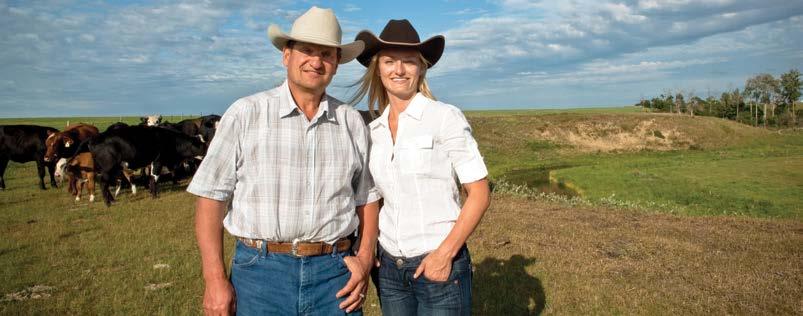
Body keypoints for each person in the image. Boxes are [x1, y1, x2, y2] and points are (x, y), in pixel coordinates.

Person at [188, 6, 380, 315]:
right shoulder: (246, 113)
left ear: (336, 65)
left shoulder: (350, 122)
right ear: (286, 55)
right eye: (307, 50)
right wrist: (214, 279)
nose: (316, 61)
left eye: (327, 54)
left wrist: (365, 258)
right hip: (260, 273)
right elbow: (211, 198)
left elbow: (367, 198)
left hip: (334, 273)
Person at [350, 20, 491, 315]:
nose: (398, 70)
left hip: (439, 265)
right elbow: (374, 199)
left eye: (409, 62)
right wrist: (368, 249)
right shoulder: (373, 129)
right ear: (378, 68)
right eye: (389, 61)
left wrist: (445, 253)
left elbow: (479, 193)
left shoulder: (444, 117)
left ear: (421, 68)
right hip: (389, 270)